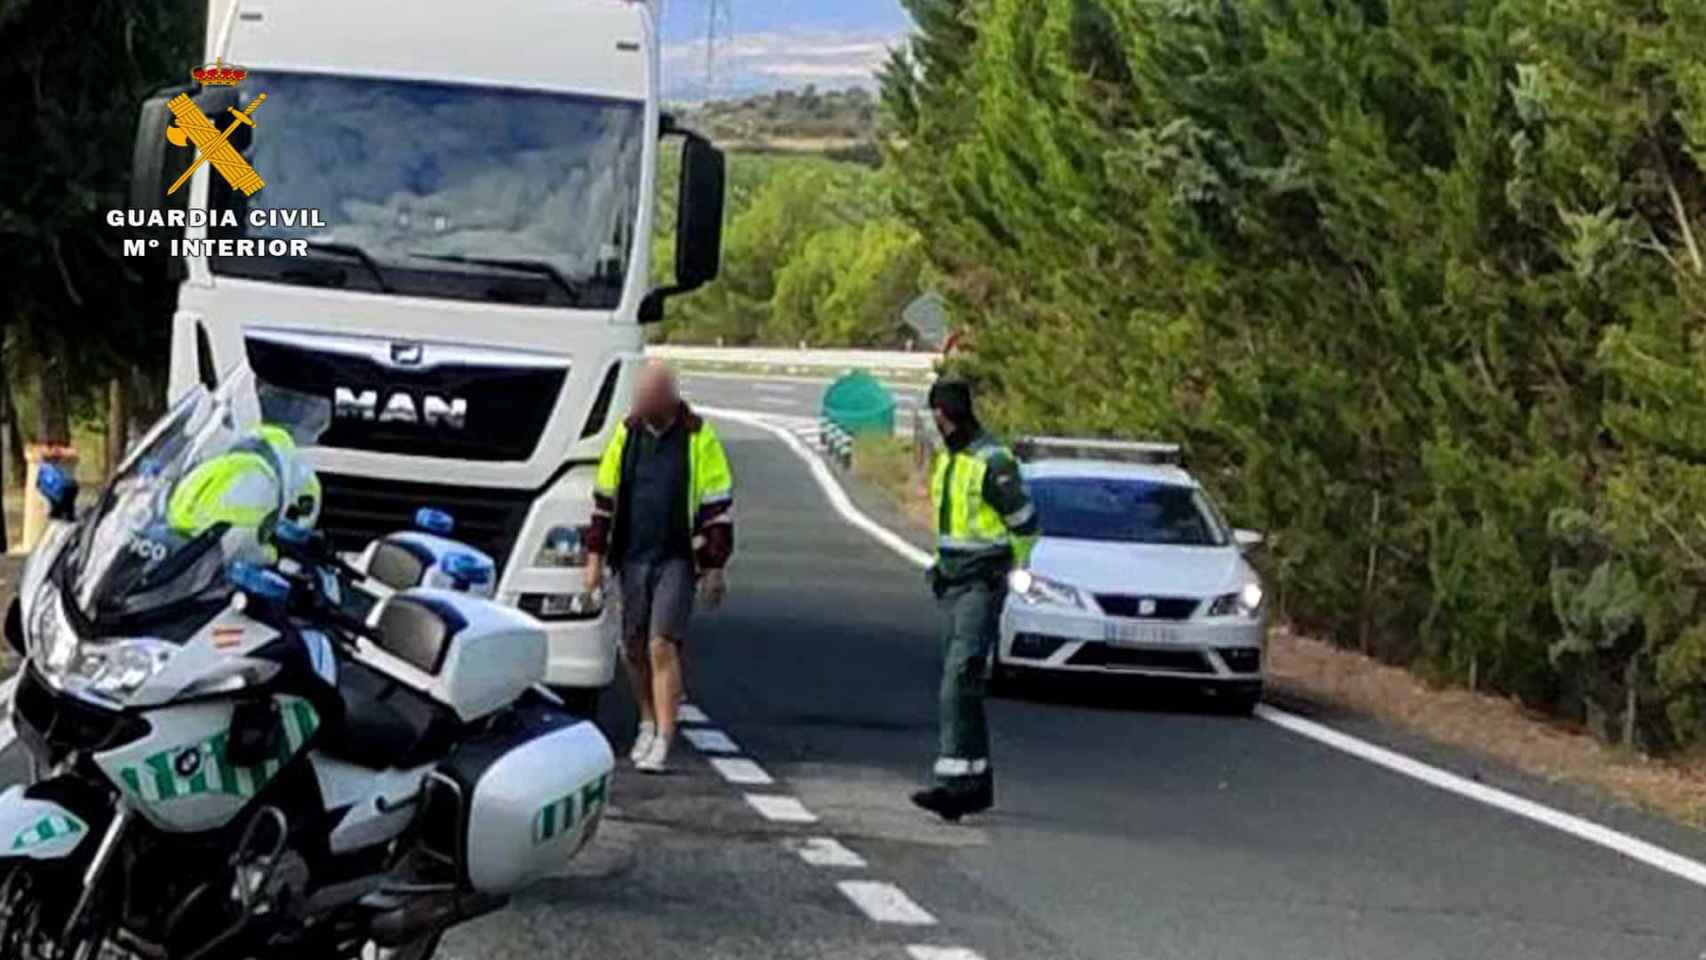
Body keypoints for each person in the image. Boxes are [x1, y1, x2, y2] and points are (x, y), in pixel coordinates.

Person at [585, 362, 734, 773]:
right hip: (631, 556)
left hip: (677, 558)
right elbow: (604, 498)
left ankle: (665, 737)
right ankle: (648, 720)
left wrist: (715, 566)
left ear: (668, 396)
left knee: (661, 644)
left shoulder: (698, 436)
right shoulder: (626, 433)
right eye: (639, 396)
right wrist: (594, 558)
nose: (641, 403)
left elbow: (717, 504)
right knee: (633, 648)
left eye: (649, 396)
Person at [913, 378, 1039, 822]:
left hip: (981, 581)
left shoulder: (991, 461)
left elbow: (1025, 523)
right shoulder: (952, 460)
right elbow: (951, 526)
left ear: (942, 416)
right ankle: (973, 782)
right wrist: (938, 564)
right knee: (962, 683)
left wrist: (1010, 570)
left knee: (958, 676)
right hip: (953, 580)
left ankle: (954, 785)